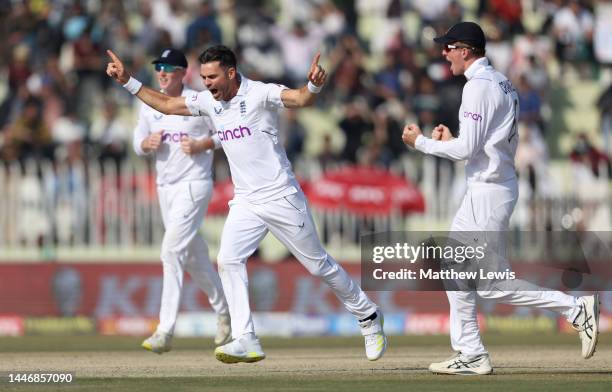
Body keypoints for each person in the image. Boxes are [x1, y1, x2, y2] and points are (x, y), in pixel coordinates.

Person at [107, 45, 387, 364]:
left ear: (230, 72)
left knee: (317, 265)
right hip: (246, 202)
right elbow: (169, 104)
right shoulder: (208, 101)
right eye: (203, 77)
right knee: (228, 259)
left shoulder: (259, 93)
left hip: (281, 195)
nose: (207, 84)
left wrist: (314, 85)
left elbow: (300, 99)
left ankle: (367, 316)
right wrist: (127, 80)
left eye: (212, 77)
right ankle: (246, 338)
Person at [401, 21, 599, 375]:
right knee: (453, 267)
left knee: (491, 285)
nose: (443, 54)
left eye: (448, 47)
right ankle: (470, 352)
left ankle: (574, 309)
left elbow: (469, 149)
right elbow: (483, 141)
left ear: (465, 50)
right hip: (490, 186)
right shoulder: (499, 81)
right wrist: (451, 140)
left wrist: (423, 144)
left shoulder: (478, 87)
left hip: (488, 192)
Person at [133, 48, 231, 354]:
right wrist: (145, 144)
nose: (161, 72)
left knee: (171, 251)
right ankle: (226, 312)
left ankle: (164, 330)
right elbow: (137, 142)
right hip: (166, 189)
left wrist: (204, 144)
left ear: (182, 73)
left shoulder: (198, 101)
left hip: (195, 185)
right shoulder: (149, 105)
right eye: (158, 67)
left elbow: (227, 133)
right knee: (194, 258)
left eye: (167, 67)